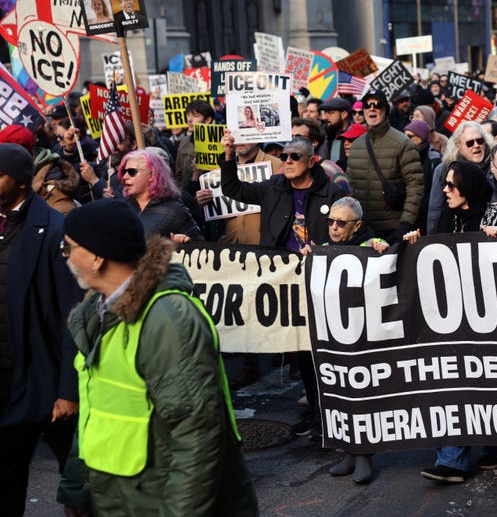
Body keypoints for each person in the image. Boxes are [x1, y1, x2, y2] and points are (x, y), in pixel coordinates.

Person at [61, 200, 258, 515]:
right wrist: (76, 489)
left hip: (158, 503)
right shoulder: (96, 314)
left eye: (68, 247)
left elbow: (196, 437)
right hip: (121, 500)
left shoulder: (168, 318)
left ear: (97, 257)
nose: (66, 256)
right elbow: (96, 410)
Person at [220, 132, 346, 440]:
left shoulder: (331, 191)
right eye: (285, 156)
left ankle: (331, 414)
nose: (287, 161)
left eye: (294, 157)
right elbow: (233, 188)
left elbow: (350, 228)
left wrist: (325, 248)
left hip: (320, 279)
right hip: (283, 281)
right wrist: (227, 156)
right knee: (302, 350)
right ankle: (315, 413)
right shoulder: (274, 187)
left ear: (311, 161)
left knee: (324, 351)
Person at [406, 161, 497, 484]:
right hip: (453, 319)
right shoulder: (446, 216)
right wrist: (418, 245)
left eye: (452, 185)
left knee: (488, 385)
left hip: (491, 320)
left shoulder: (495, 217)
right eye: (445, 184)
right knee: (454, 384)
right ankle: (452, 460)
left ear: (468, 189)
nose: (445, 190)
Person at [0, 144, 83, 517]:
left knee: (80, 482)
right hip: (7, 379)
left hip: (45, 379)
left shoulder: (55, 229)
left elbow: (73, 316)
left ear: (19, 182)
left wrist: (68, 390)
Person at [300, 196, 387, 484]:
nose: (334, 228)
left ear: (357, 225)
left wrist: (381, 249)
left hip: (364, 336)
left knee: (362, 395)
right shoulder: (323, 250)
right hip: (333, 336)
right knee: (338, 394)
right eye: (331, 222)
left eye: (341, 223)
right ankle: (348, 452)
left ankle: (365, 455)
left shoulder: (369, 247)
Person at [346, 88, 423, 243]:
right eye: (367, 105)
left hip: (392, 228)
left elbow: (416, 186)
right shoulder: (356, 146)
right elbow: (351, 189)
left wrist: (405, 223)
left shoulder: (402, 143)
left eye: (377, 104)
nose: (372, 108)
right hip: (363, 230)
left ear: (385, 110)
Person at [118, 149, 203, 242]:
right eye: (124, 172)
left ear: (152, 175)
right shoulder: (122, 208)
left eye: (131, 172)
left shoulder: (175, 211)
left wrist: (184, 243)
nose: (125, 177)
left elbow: (199, 248)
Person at [427, 120, 495, 234]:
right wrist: (432, 240)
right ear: (458, 145)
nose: (476, 145)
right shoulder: (444, 169)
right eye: (470, 143)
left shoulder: (496, 164)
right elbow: (435, 210)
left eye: (480, 140)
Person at [403, 119, 442, 234]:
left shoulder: (434, 160)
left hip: (426, 216)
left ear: (420, 138)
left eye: (409, 137)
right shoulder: (404, 156)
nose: (405, 140)